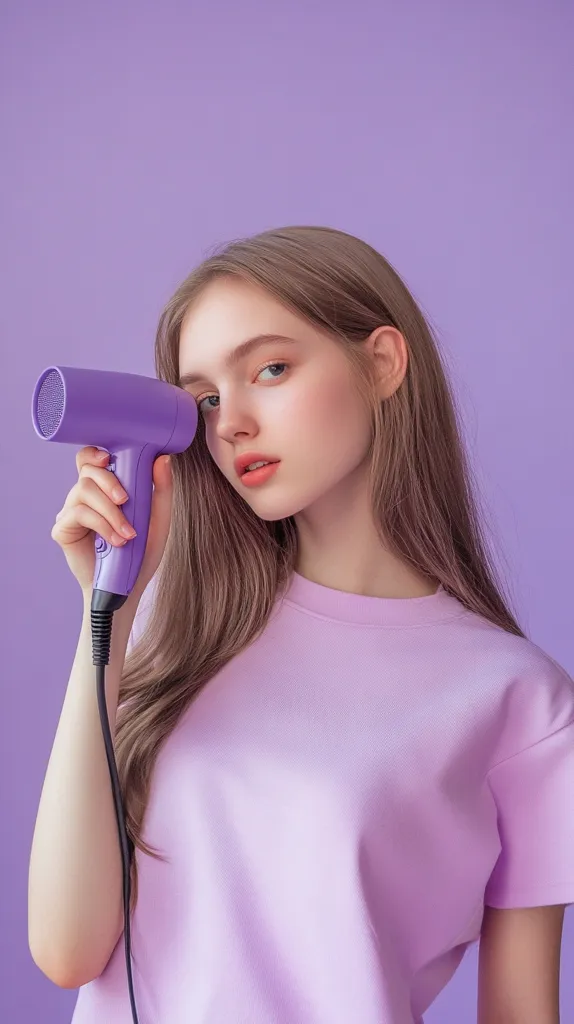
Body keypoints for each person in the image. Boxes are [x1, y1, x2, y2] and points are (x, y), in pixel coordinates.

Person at [29, 225, 574, 1023]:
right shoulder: (174, 629)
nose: (231, 423)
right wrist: (103, 611)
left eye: (271, 370)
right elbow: (66, 950)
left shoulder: (522, 703)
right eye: (206, 399)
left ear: (382, 363)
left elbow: (521, 1012)